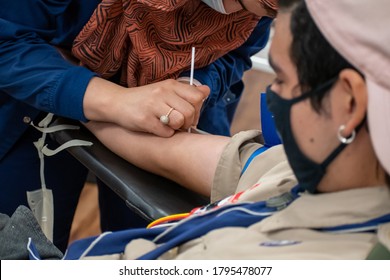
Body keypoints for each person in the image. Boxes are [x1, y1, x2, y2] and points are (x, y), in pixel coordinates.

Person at [72, 0, 390, 259]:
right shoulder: (299, 170)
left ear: (349, 103)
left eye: (281, 80)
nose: (273, 95)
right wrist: (92, 98)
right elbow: (167, 149)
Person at [0, 0, 276, 253]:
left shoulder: (264, 8)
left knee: (146, 240)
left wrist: (195, 84)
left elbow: (236, 54)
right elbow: (8, 42)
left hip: (177, 119)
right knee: (32, 238)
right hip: (36, 98)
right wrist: (112, 101)